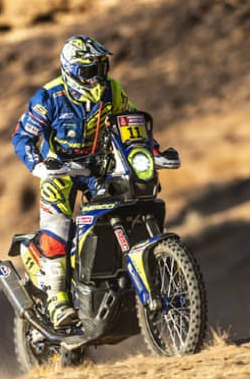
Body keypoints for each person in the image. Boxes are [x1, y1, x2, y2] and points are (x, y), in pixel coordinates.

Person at [11, 35, 179, 328]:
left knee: (129, 204)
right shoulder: (49, 97)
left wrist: (152, 152)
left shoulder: (112, 90)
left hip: (99, 169)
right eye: (90, 70)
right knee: (57, 229)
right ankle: (58, 302)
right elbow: (22, 135)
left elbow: (133, 123)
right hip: (60, 171)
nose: (97, 77)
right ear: (71, 70)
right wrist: (37, 164)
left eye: (101, 68)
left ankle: (119, 278)